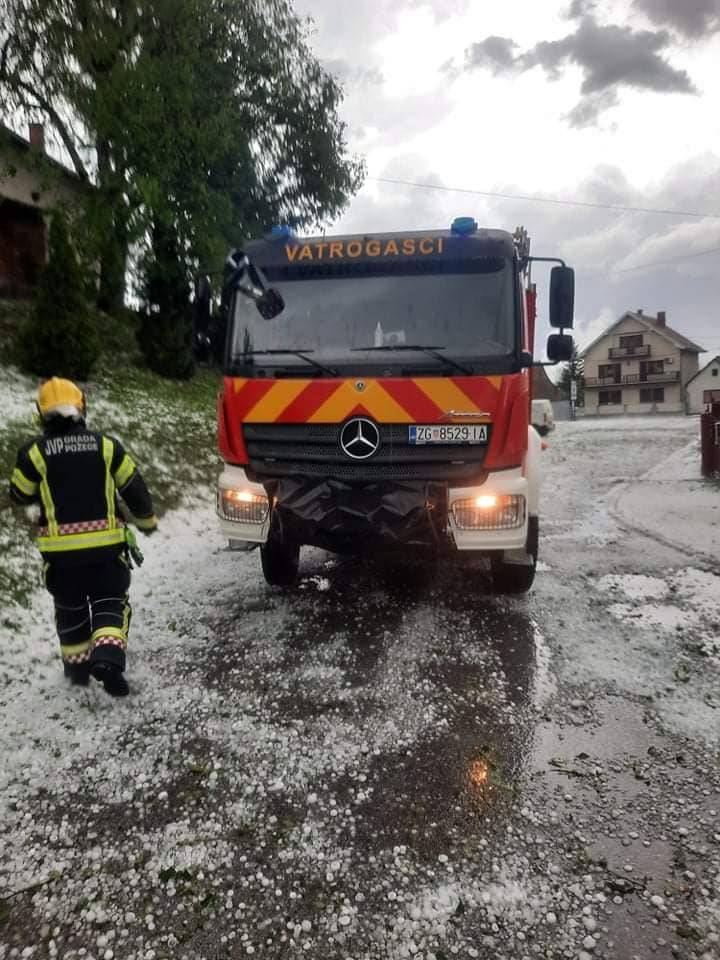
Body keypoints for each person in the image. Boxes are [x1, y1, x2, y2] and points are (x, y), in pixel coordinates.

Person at [9, 377, 157, 696]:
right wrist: (147, 521)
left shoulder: (34, 453)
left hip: (60, 562)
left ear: (40, 414)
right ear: (82, 407)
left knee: (70, 610)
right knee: (110, 602)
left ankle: (77, 675)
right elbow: (134, 487)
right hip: (106, 555)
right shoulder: (106, 447)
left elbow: (19, 494)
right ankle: (107, 657)